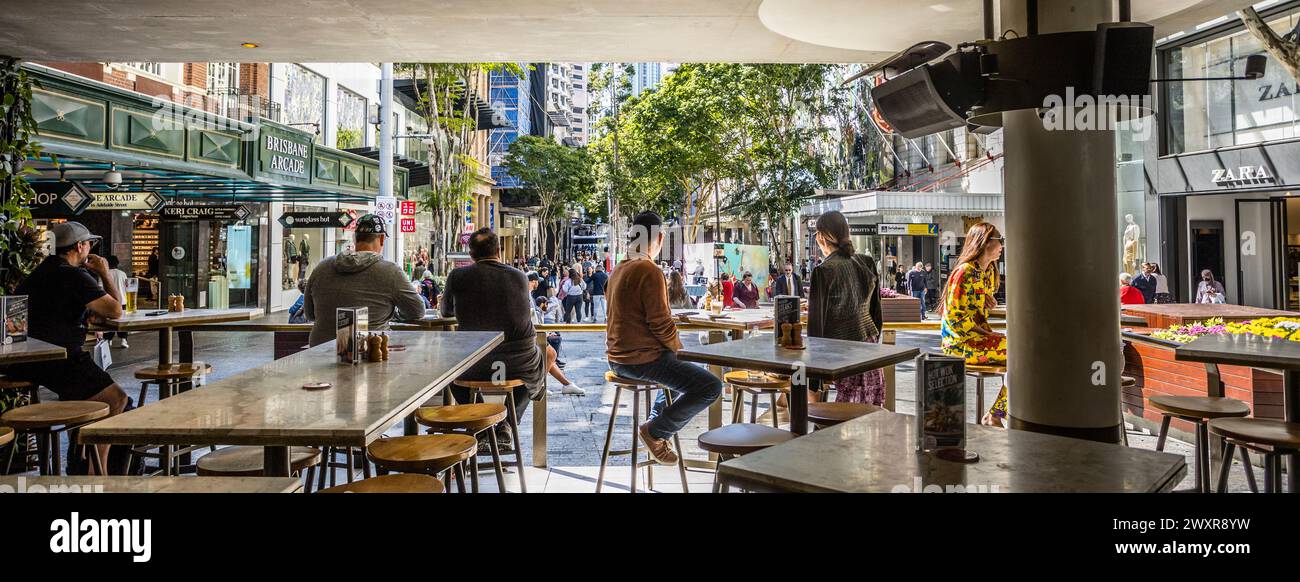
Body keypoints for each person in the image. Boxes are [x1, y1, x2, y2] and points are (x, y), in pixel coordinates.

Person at [5, 222, 128, 474]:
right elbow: (116, 310)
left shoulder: (40, 272)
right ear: (80, 246)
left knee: (86, 397)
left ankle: (80, 459)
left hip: (22, 358)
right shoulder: (73, 275)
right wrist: (105, 272)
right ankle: (97, 475)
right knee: (116, 399)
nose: (90, 249)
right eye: (89, 244)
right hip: (56, 359)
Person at [606, 211, 721, 465]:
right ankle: (655, 431)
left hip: (617, 358)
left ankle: (656, 421)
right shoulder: (648, 269)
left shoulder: (618, 269)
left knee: (684, 370)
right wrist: (681, 349)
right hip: (639, 361)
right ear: (659, 238)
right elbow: (660, 324)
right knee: (710, 386)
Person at [443, 228, 583, 414]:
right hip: (519, 364)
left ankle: (483, 422)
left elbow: (446, 312)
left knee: (448, 373)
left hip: (473, 364)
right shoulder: (518, 276)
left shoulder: (457, 276)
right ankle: (508, 422)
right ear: (499, 251)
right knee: (548, 354)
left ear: (471, 255)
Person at [302, 214, 425, 347]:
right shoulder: (391, 271)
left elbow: (309, 314)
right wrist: (393, 314)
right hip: (368, 352)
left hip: (319, 352)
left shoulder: (322, 267)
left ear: (355, 238)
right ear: (382, 239)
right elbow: (417, 311)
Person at [808, 211, 886, 406]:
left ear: (821, 237)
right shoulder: (866, 262)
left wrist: (814, 379)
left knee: (841, 424)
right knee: (867, 418)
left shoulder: (823, 270)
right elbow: (877, 315)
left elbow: (815, 329)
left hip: (841, 354)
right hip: (869, 351)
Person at [940, 222, 1008, 427]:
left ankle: (997, 412)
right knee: (1022, 355)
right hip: (959, 344)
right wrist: (988, 334)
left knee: (1022, 353)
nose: (1002, 246)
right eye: (999, 240)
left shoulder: (987, 274)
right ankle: (995, 414)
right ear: (985, 242)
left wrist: (986, 302)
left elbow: (976, 313)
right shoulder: (964, 272)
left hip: (976, 338)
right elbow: (956, 319)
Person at [103, 256, 130, 348]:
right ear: (117, 263)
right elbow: (127, 287)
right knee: (122, 321)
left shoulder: (104, 274)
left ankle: (108, 340)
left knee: (109, 322)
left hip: (108, 301)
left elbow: (100, 288)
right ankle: (123, 340)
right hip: (122, 301)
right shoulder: (122, 274)